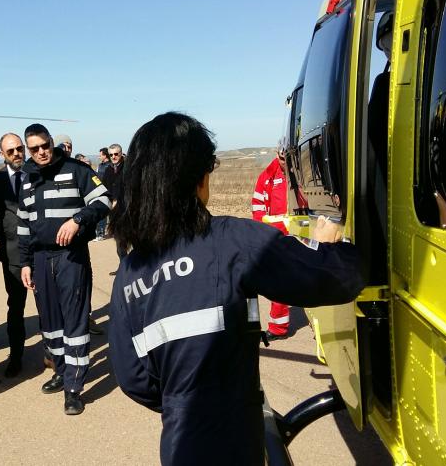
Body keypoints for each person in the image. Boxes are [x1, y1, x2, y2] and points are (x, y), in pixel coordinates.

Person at [106, 112, 364, 465]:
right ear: (196, 177)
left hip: (179, 443)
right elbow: (332, 278)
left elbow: (133, 378)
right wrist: (331, 246)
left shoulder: (129, 273)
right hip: (234, 438)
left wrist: (183, 400)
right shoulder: (232, 241)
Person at [18, 123, 110, 415]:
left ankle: (74, 387)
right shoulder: (27, 177)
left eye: (45, 145)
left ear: (50, 142)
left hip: (71, 256)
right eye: (34, 149)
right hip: (42, 259)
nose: (42, 152)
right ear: (28, 150)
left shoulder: (76, 169)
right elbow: (23, 226)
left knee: (75, 323)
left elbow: (104, 200)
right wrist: (25, 263)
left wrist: (79, 220)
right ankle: (60, 370)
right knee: (50, 322)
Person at [0, 133, 29, 377]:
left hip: (40, 252)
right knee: (16, 307)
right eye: (10, 151)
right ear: (2, 154)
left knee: (50, 307)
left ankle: (53, 354)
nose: (17, 154)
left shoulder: (36, 174)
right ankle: (16, 356)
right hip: (11, 254)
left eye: (19, 149)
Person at [250, 149, 294, 341]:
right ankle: (278, 328)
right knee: (279, 282)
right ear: (278, 155)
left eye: (289, 159)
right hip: (277, 238)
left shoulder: (302, 174)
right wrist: (268, 228)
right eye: (282, 159)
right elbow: (258, 208)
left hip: (304, 236)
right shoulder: (268, 176)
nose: (285, 163)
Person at [100, 143, 126, 274]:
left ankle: (136, 268)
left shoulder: (128, 168)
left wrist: (118, 199)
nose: (114, 157)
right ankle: (123, 267)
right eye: (111, 155)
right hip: (114, 212)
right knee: (119, 242)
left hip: (127, 210)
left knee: (132, 239)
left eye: (116, 154)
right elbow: (104, 188)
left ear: (121, 153)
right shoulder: (108, 170)